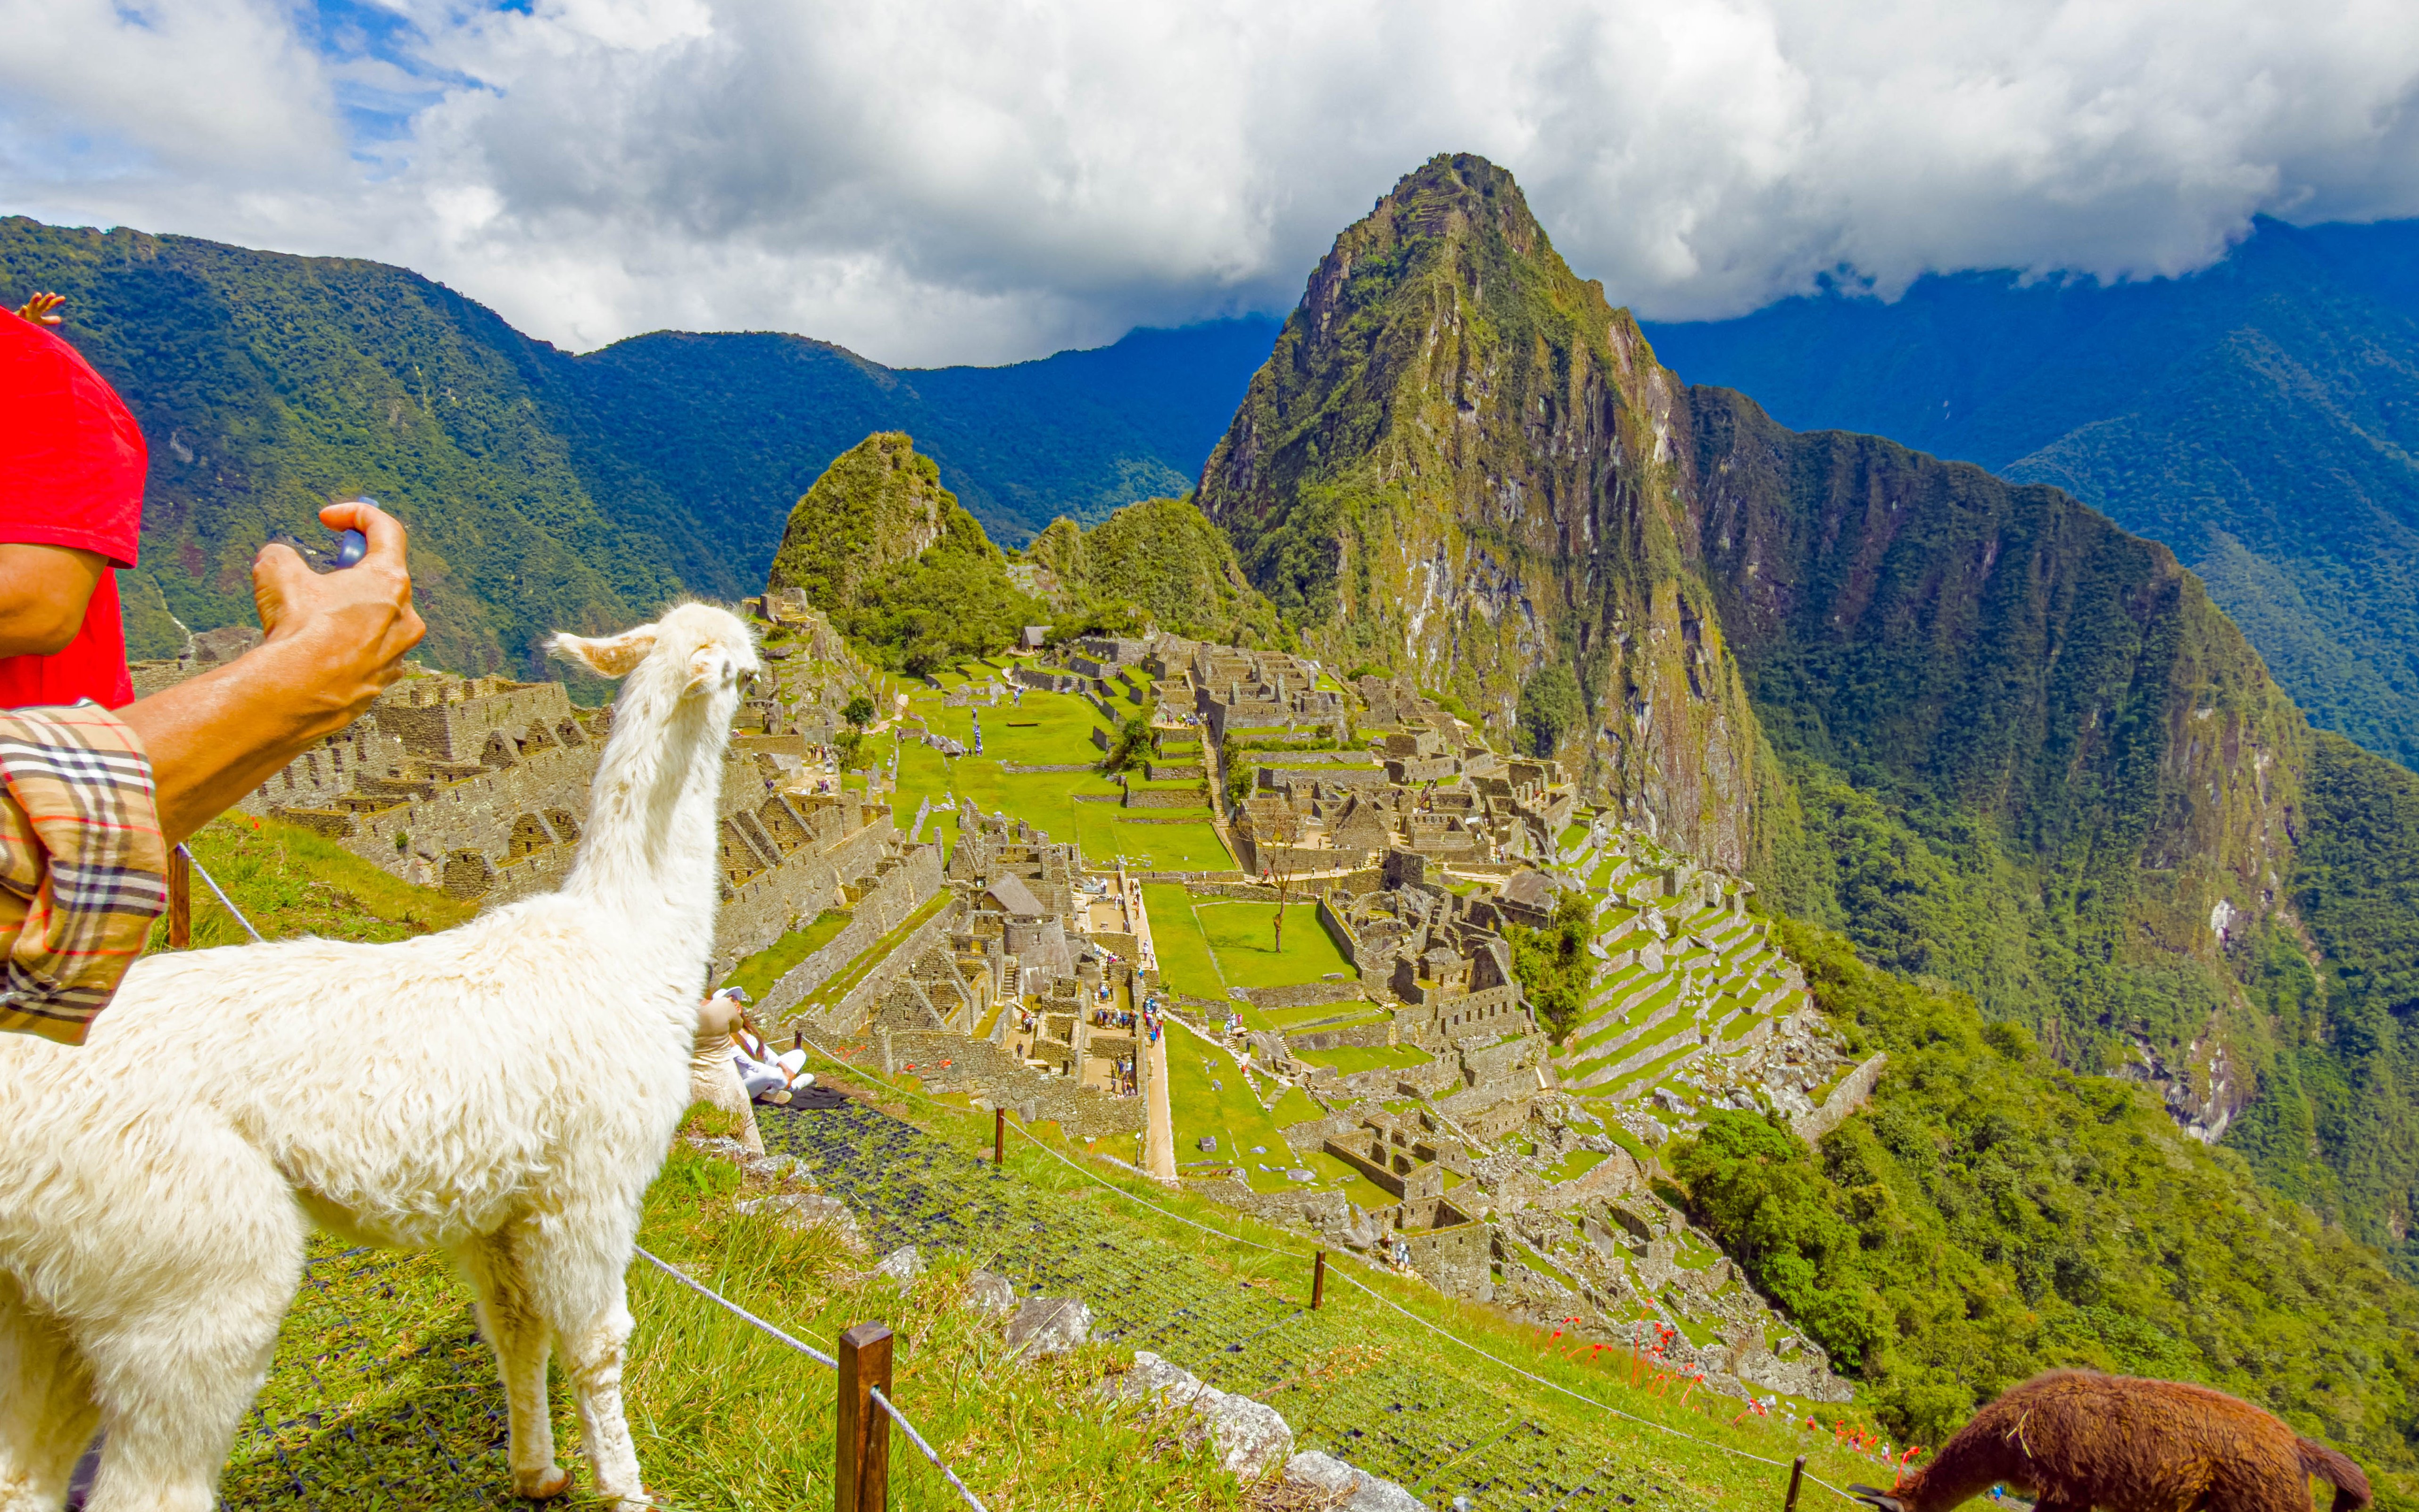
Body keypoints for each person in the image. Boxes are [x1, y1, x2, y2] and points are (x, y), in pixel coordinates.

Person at [0, 293, 426, 1043]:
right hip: (46, 865)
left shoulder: (32, 374)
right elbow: (36, 601)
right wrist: (304, 678)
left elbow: (38, 595)